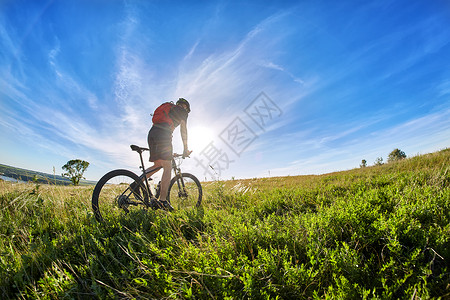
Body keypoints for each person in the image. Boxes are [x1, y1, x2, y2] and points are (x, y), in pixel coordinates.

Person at [145, 98, 191, 210]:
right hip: (163, 134)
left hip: (152, 133)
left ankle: (135, 184)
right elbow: (183, 131)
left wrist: (170, 153)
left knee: (158, 164)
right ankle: (163, 202)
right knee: (167, 166)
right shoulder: (182, 112)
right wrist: (185, 149)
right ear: (185, 107)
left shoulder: (169, 108)